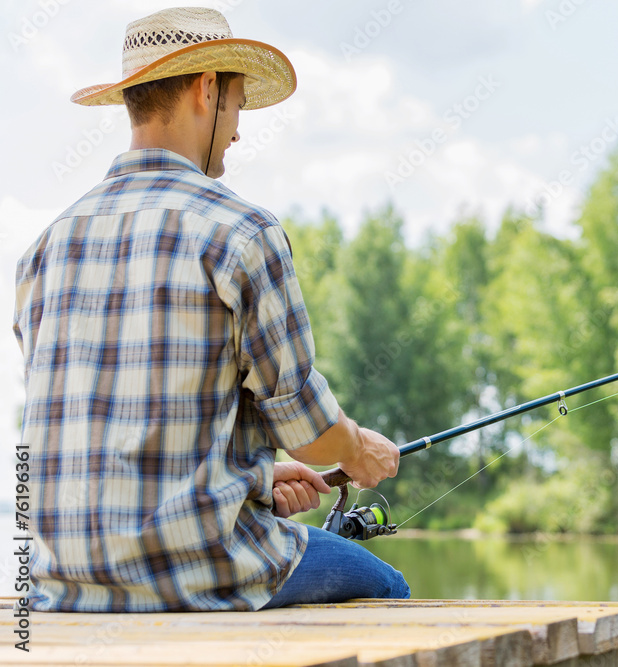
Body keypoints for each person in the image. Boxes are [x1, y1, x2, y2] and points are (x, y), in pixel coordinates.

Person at [13, 7, 409, 612]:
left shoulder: (44, 248)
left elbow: (105, 428)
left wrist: (252, 479)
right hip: (203, 572)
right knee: (390, 589)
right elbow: (308, 433)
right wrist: (360, 450)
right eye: (239, 104)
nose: (238, 132)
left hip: (57, 586)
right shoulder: (242, 233)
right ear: (206, 90)